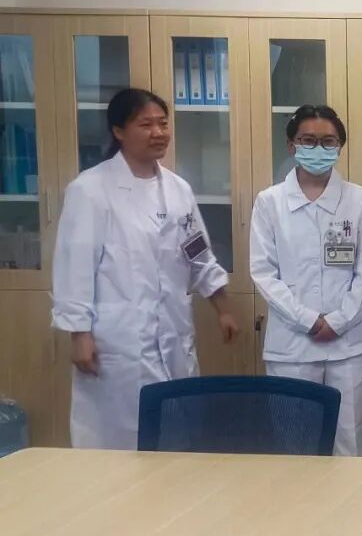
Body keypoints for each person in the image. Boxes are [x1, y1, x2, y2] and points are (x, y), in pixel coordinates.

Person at [52, 88, 239, 450]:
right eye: (146, 125)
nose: (158, 133)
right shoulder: (90, 190)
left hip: (172, 334)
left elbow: (198, 254)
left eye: (163, 124)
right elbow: (74, 267)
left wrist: (223, 308)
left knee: (176, 436)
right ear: (119, 131)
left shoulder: (178, 190)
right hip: (118, 342)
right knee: (119, 442)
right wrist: (79, 334)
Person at [249, 104, 362, 456]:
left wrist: (338, 320)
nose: (318, 149)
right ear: (291, 145)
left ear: (340, 146)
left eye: (328, 141)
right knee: (294, 443)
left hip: (349, 342)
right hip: (292, 343)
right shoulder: (270, 202)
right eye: (308, 140)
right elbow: (264, 272)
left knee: (349, 441)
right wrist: (307, 319)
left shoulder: (358, 199)